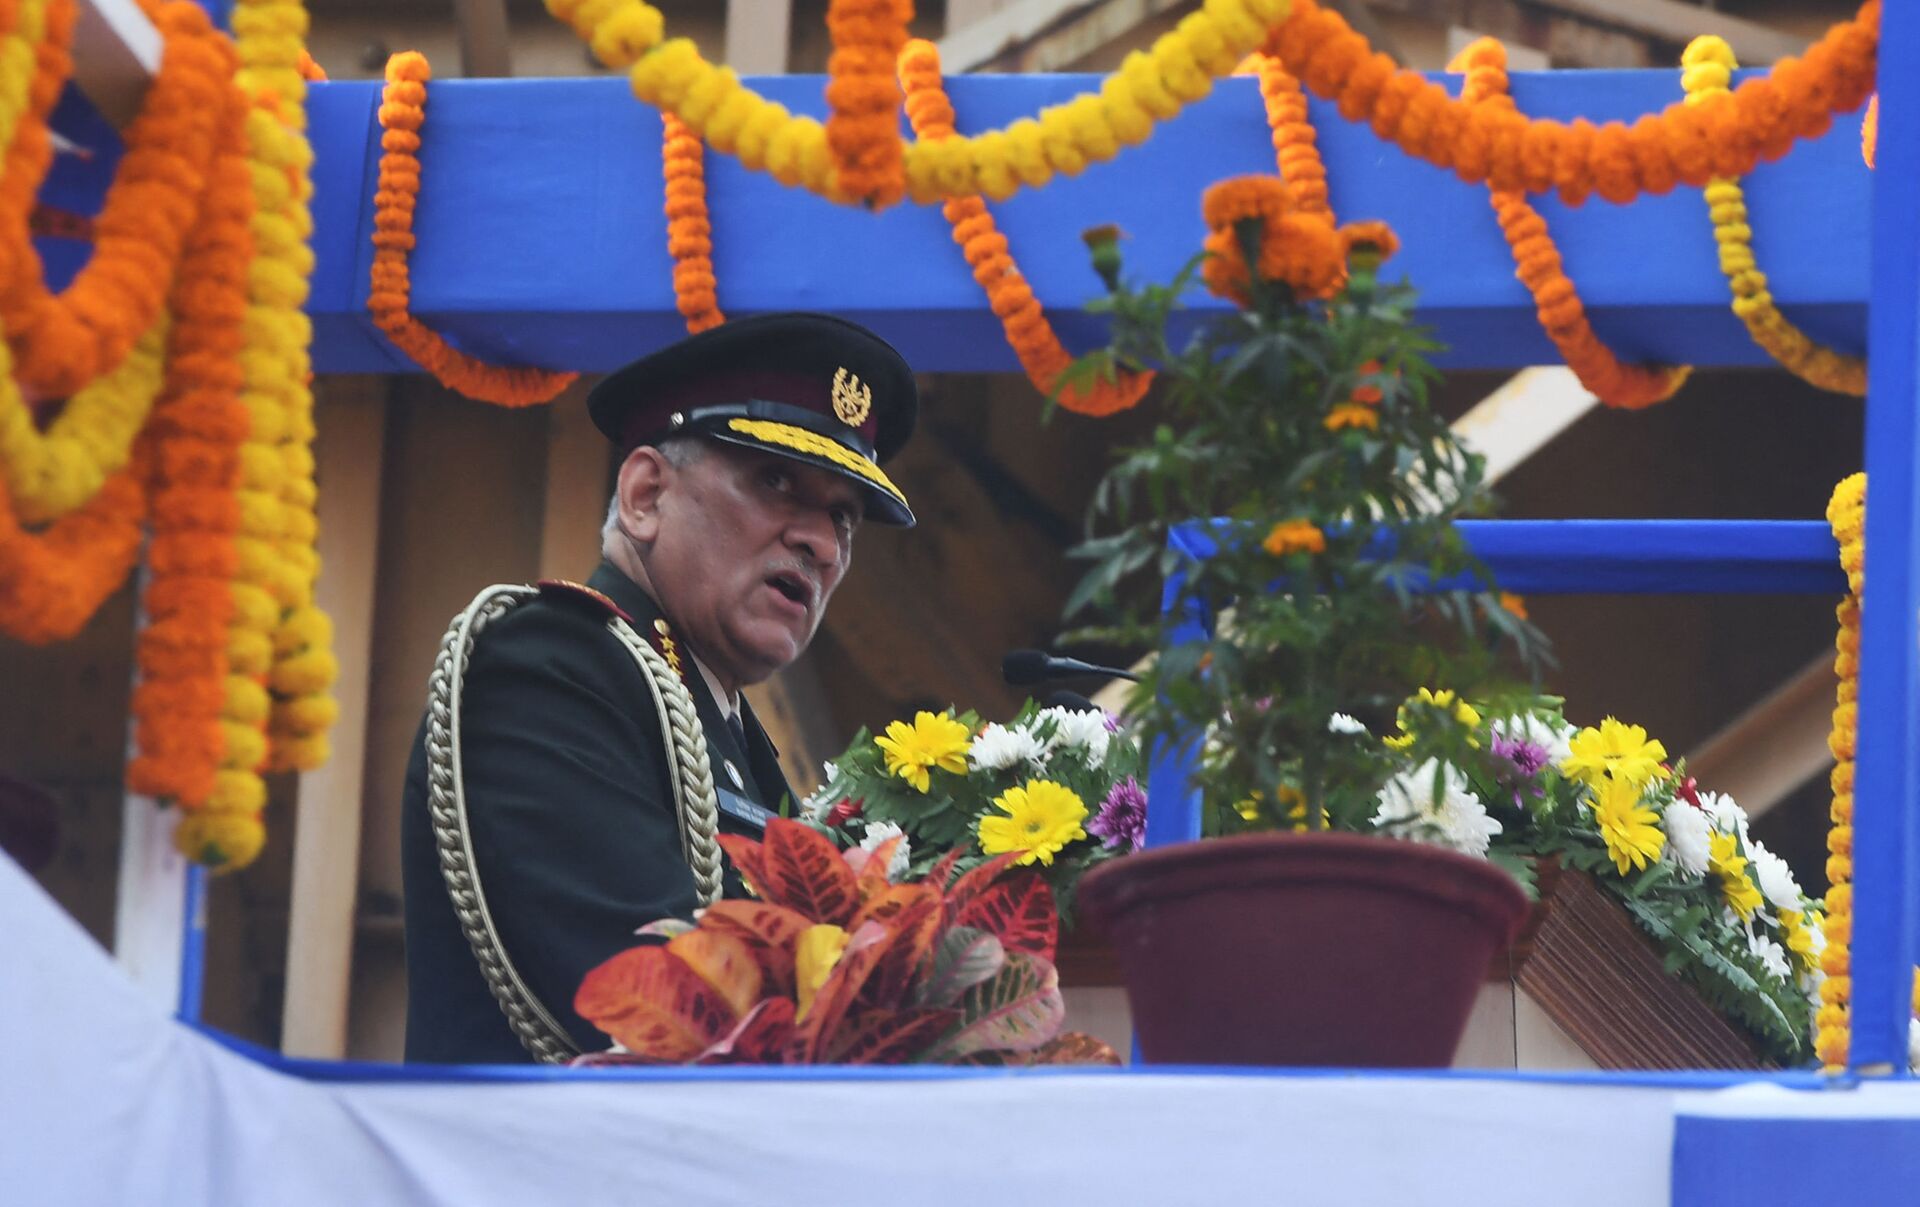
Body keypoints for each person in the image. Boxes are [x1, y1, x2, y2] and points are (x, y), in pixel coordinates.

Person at [399, 313, 917, 1064]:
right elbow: (661, 1000)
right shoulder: (546, 667)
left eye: (842, 516)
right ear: (645, 494)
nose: (821, 543)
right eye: (776, 481)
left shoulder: (729, 734)